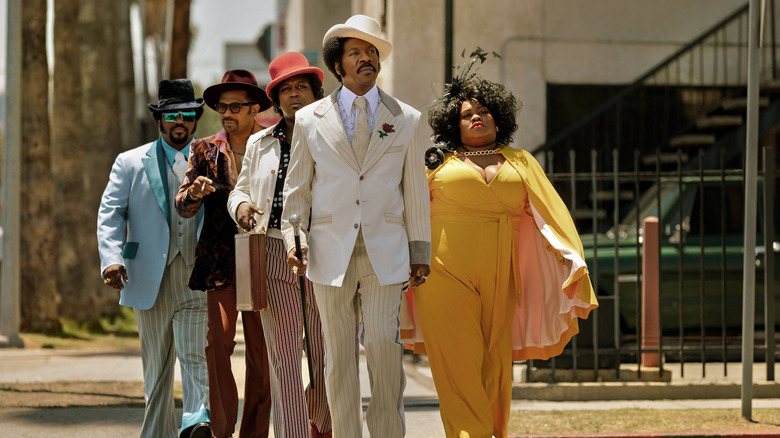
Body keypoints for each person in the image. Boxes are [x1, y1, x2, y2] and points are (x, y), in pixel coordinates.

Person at [404, 52, 600, 438]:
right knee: (457, 364)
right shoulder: (435, 163)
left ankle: (493, 431)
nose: (476, 117)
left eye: (484, 111)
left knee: (493, 365)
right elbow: (405, 211)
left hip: (502, 273)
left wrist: (570, 258)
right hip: (442, 272)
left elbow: (551, 215)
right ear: (453, 124)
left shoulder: (522, 161)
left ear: (499, 118)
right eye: (466, 114)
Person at [282, 15, 431, 438]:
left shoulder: (406, 118)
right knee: (337, 356)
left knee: (385, 345)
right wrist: (295, 238)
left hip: (386, 249)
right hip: (328, 251)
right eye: (356, 53)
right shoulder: (310, 119)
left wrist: (420, 249)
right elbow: (298, 189)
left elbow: (415, 189)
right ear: (338, 65)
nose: (367, 58)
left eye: (372, 52)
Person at [97, 79, 211, 438]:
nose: (181, 121)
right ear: (160, 120)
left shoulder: (211, 157)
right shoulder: (130, 162)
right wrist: (111, 258)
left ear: (195, 119)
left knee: (195, 355)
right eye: (173, 114)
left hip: (196, 275)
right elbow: (111, 212)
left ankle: (196, 422)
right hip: (148, 275)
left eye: (188, 115)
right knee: (158, 371)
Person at [227, 51, 332, 438]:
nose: (293, 95)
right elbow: (238, 190)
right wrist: (240, 207)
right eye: (285, 89)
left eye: (301, 87)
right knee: (283, 360)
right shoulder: (260, 142)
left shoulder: (336, 135)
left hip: (325, 253)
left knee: (327, 358)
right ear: (275, 98)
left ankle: (322, 422)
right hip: (272, 254)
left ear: (315, 92)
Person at [174, 70, 272, 438]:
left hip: (264, 257)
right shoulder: (203, 149)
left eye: (235, 106)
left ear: (254, 108)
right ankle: (221, 429)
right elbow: (182, 205)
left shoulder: (274, 143)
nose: (226, 113)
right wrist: (195, 193)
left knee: (262, 355)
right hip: (219, 261)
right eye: (221, 107)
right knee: (219, 343)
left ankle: (254, 432)